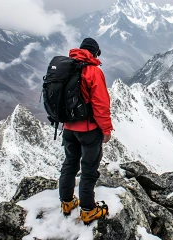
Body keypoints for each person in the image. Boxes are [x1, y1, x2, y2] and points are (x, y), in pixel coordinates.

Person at [58, 37, 113, 225]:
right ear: (95, 53)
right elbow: (100, 104)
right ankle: (88, 210)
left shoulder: (67, 68)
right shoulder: (93, 71)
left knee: (70, 164)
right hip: (88, 130)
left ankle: (66, 202)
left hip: (67, 128)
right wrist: (106, 129)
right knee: (89, 169)